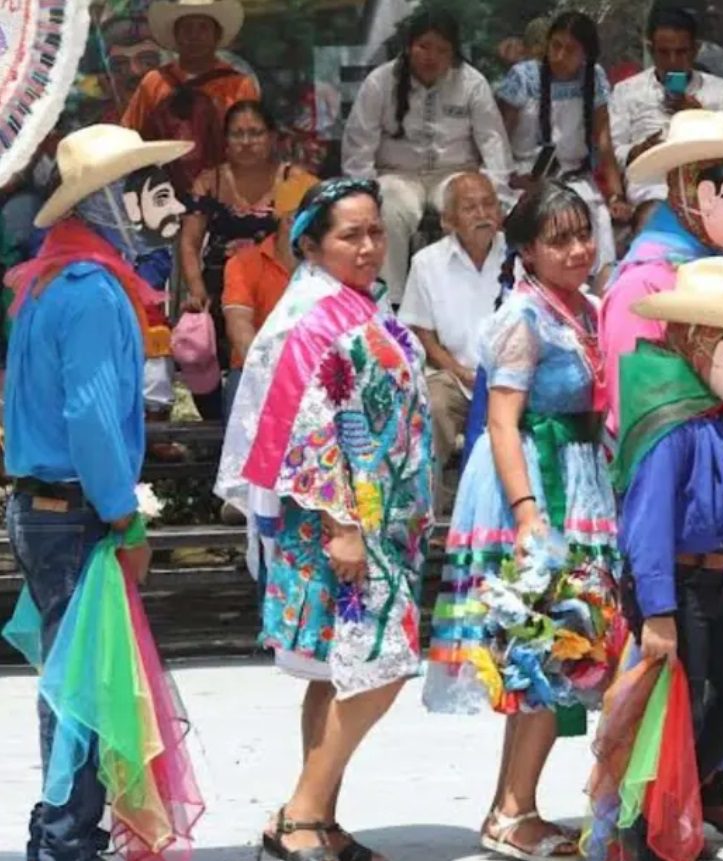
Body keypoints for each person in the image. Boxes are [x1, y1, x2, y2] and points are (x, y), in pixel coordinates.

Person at [215, 177, 433, 861]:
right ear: (309, 242)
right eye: (350, 234)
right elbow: (305, 428)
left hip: (377, 516)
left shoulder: (349, 301)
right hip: (344, 524)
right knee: (380, 662)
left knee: (336, 669)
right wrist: (342, 525)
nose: (369, 245)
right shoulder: (313, 317)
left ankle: (319, 816)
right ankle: (300, 815)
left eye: (375, 230)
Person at [600, 108, 723, 841]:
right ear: (690, 191)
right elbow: (641, 414)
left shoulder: (713, 272)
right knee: (682, 670)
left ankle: (702, 789)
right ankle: (659, 810)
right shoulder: (646, 284)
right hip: (677, 506)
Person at [3, 124, 199, 861]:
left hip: (47, 505)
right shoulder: (88, 291)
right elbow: (89, 416)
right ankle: (67, 837)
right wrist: (125, 515)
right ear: (110, 201)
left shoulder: (51, 280)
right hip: (75, 509)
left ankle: (60, 824)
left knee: (73, 677)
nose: (165, 201)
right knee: (86, 684)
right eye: (147, 187)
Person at [423, 181, 620, 860]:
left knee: (561, 649)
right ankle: (511, 809)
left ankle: (515, 805)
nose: (576, 249)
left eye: (582, 234)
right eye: (558, 239)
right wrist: (529, 513)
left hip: (580, 473)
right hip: (538, 481)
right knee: (539, 644)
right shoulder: (523, 317)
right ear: (528, 251)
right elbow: (502, 423)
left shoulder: (587, 309)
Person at [342, 9, 512, 306]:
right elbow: (359, 148)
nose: (431, 57)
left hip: (455, 172)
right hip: (397, 175)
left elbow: (493, 142)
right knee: (388, 205)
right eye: (424, 47)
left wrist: (495, 194)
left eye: (442, 50)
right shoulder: (380, 83)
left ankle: (471, 300)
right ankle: (388, 303)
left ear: (453, 52)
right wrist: (364, 194)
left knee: (470, 203)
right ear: (409, 46)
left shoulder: (472, 83)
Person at [179, 100, 314, 419]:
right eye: (237, 134)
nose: (246, 142)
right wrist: (196, 289)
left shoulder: (294, 180)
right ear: (225, 140)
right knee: (196, 340)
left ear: (272, 137)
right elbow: (189, 242)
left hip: (276, 278)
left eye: (255, 133)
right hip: (218, 280)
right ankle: (213, 416)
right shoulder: (209, 180)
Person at [397, 172, 504, 513]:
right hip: (456, 375)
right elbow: (420, 329)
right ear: (448, 220)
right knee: (433, 402)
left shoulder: (517, 255)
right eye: (470, 207)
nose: (482, 214)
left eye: (488, 204)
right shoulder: (427, 263)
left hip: (511, 374)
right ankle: (428, 504)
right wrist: (456, 369)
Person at [497, 11, 632, 277]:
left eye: (570, 50)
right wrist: (509, 179)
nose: (559, 56)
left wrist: (616, 195)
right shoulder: (523, 76)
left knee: (599, 226)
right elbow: (498, 140)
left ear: (586, 53)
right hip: (523, 181)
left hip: (574, 179)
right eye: (555, 46)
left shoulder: (594, 77)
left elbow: (604, 142)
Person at [610, 4, 723, 207]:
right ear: (651, 50)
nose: (672, 61)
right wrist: (638, 151)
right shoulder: (627, 92)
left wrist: (702, 116)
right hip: (650, 189)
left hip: (708, 188)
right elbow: (613, 152)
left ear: (695, 51)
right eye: (664, 53)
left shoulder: (721, 92)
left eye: (681, 52)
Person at [121, 0, 260, 196]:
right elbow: (130, 137)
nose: (194, 35)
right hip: (161, 196)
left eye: (203, 27)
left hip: (222, 195)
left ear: (216, 35)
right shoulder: (154, 82)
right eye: (186, 28)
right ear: (175, 35)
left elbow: (252, 148)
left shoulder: (238, 85)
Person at [219, 168, 319, 419]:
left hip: (316, 372)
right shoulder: (243, 264)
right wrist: (272, 374)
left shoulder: (329, 266)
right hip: (255, 371)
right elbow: (240, 328)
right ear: (289, 220)